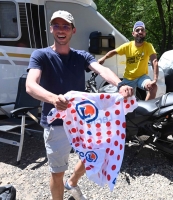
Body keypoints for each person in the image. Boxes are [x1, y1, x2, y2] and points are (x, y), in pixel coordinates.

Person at [26, 10, 133, 200]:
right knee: (57, 172)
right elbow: (30, 85)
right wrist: (53, 99)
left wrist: (121, 84)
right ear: (51, 29)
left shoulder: (81, 56)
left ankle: (72, 182)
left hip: (82, 122)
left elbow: (101, 69)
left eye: (65, 26)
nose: (61, 30)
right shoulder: (40, 55)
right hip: (56, 124)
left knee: (94, 154)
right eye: (57, 25)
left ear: (73, 31)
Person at [98, 21, 158, 100]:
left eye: (142, 30)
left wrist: (155, 79)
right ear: (133, 33)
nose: (140, 32)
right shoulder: (128, 46)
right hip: (128, 78)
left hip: (142, 77)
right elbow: (113, 52)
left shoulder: (148, 46)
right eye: (137, 30)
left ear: (145, 33)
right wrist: (103, 58)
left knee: (153, 87)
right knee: (126, 98)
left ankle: (146, 109)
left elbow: (154, 61)